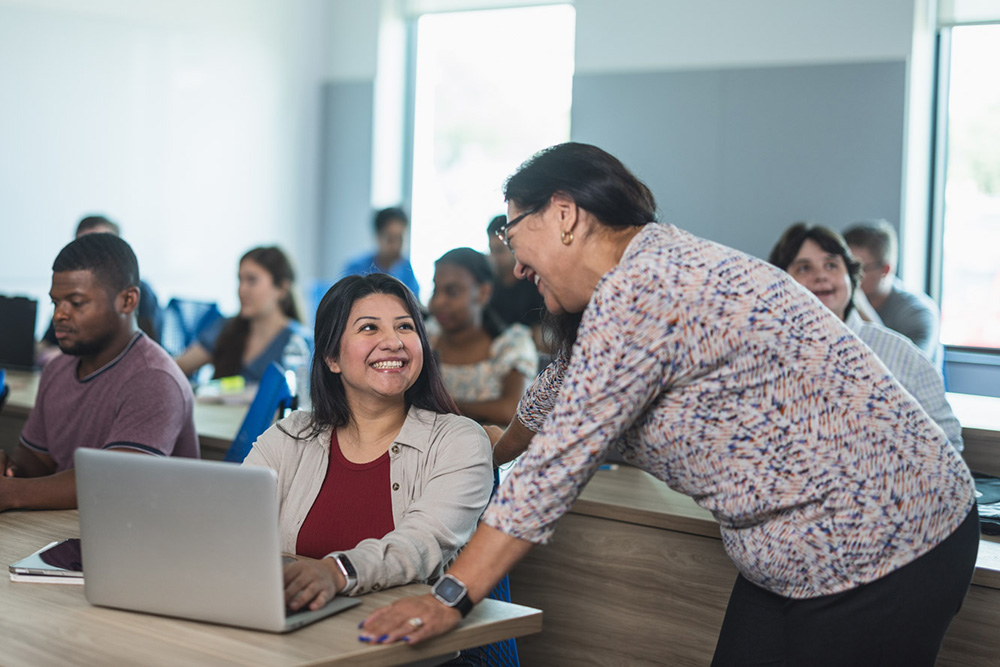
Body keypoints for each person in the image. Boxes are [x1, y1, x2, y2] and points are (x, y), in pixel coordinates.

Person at [358, 143, 978, 666]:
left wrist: (448, 599)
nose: (515, 265)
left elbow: (552, 471)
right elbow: (550, 402)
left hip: (887, 537)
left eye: (512, 232)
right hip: (791, 553)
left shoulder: (648, 287)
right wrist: (478, 460)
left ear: (565, 214)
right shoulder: (631, 280)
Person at [242, 273, 492, 613]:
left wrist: (336, 572)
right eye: (370, 328)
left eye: (405, 327)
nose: (394, 342)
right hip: (298, 623)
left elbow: (420, 545)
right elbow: (233, 523)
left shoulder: (459, 442)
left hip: (402, 633)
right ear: (332, 358)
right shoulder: (290, 436)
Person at [0, 234, 199, 511]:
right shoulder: (57, 368)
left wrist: (12, 493)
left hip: (146, 530)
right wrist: (12, 469)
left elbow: (114, 482)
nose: (59, 315)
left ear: (127, 301)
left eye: (76, 303)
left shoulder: (155, 378)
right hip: (74, 525)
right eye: (55, 303)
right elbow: (37, 458)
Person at [769, 222, 962, 450]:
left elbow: (947, 444)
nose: (820, 276)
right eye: (804, 268)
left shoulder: (902, 355)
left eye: (831, 265)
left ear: (852, 279)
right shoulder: (761, 353)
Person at [428, 247, 538, 427]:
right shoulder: (426, 338)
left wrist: (442, 406)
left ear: (483, 292)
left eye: (452, 291)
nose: (438, 301)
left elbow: (512, 410)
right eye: (435, 290)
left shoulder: (510, 345)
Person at [175, 246, 311, 384]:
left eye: (252, 280)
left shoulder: (300, 342)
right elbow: (176, 367)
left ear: (281, 288)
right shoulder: (226, 328)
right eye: (240, 280)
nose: (242, 289)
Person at [38, 215, 163, 363]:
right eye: (82, 246)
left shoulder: (143, 294)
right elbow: (46, 343)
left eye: (77, 303)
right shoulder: (65, 301)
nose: (91, 252)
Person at [843, 220, 941, 360]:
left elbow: (907, 367)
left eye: (857, 268)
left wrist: (859, 304)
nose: (847, 276)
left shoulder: (919, 313)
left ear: (885, 270)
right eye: (843, 266)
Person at [486, 215, 547, 350]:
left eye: (499, 251)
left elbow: (539, 337)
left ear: (514, 247)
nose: (494, 257)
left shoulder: (534, 283)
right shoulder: (489, 288)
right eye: (491, 250)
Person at [342, 207, 421, 299]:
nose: (396, 246)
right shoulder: (356, 268)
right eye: (390, 239)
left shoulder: (406, 267)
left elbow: (415, 300)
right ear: (378, 237)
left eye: (400, 239)